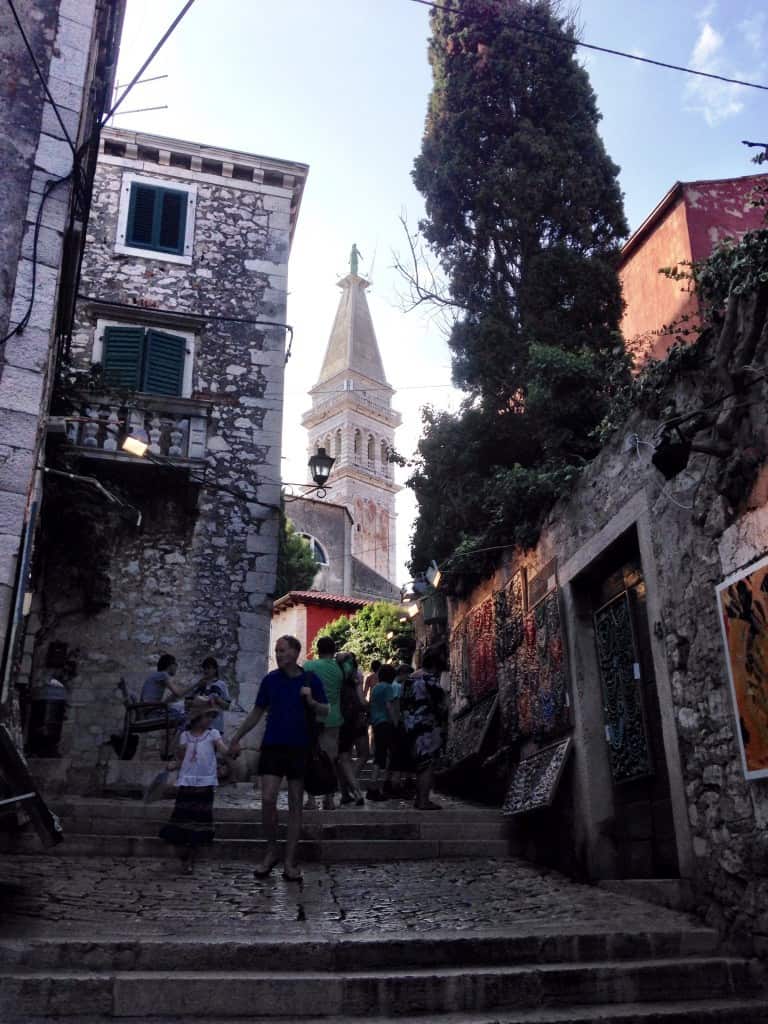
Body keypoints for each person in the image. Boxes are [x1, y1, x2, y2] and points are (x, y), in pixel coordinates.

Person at [228, 635, 328, 882]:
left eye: (282, 650)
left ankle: (290, 860)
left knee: (295, 803)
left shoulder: (310, 679)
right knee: (267, 798)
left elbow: (326, 710)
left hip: (300, 748)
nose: (278, 654)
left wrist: (311, 700)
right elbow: (256, 712)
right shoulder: (270, 680)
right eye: (276, 650)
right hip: (273, 746)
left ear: (295, 652)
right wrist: (236, 737)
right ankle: (272, 849)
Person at [159, 706, 230, 874]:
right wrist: (173, 764)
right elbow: (182, 758)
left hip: (205, 785)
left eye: (211, 717)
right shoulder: (185, 736)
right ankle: (183, 856)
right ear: (197, 719)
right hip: (187, 783)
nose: (210, 720)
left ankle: (191, 858)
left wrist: (231, 751)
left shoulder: (213, 734)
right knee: (182, 820)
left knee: (199, 824)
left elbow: (223, 749)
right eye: (207, 716)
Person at [302, 636, 344, 811]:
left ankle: (311, 800)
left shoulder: (309, 666)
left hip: (313, 716)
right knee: (330, 760)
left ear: (317, 649)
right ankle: (329, 799)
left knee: (310, 758)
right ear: (333, 650)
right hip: (333, 717)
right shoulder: (338, 670)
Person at [402, 649, 447, 810]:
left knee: (420, 764)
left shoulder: (410, 680)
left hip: (411, 726)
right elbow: (441, 706)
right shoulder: (430, 681)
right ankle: (423, 800)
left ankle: (419, 798)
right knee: (427, 765)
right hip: (426, 727)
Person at [337, 651, 369, 805]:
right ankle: (354, 786)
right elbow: (362, 701)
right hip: (357, 718)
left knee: (344, 758)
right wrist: (369, 708)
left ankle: (345, 794)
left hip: (341, 719)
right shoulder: (356, 677)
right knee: (363, 754)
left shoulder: (337, 678)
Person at [366, 664, 397, 802]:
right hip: (385, 723)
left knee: (380, 754)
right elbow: (389, 706)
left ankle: (376, 786)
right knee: (386, 755)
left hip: (376, 723)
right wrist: (395, 722)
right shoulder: (388, 688)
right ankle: (377, 786)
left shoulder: (376, 687)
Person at [140, 654, 196, 728]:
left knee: (181, 713)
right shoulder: (163, 675)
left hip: (148, 711)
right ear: (170, 665)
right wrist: (197, 684)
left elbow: (175, 695)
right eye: (176, 664)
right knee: (186, 717)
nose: (176, 667)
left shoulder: (157, 675)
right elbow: (179, 693)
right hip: (150, 714)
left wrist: (171, 698)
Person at [191, 656, 231, 734]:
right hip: (200, 726)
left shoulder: (221, 684)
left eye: (208, 668)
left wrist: (218, 700)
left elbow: (227, 706)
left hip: (216, 726)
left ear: (215, 669)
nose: (206, 671)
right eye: (204, 668)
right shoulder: (199, 684)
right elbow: (189, 703)